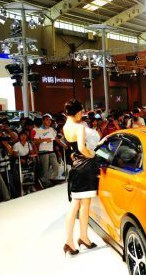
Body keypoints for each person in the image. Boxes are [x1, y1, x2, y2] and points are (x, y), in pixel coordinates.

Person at [62, 99, 99, 256]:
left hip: (76, 166)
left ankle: (82, 237)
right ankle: (70, 241)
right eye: (81, 112)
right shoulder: (79, 127)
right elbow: (82, 148)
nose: (81, 115)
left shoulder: (65, 127)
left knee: (82, 204)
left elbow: (74, 149)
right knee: (79, 204)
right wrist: (94, 154)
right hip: (85, 167)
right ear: (78, 113)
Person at [34, 114, 66, 188]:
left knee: (56, 167)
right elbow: (35, 141)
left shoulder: (52, 129)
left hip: (51, 151)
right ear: (43, 121)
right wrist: (44, 140)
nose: (49, 121)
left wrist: (63, 145)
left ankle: (44, 179)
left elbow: (56, 139)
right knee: (45, 168)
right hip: (43, 151)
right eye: (47, 120)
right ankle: (46, 182)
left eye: (50, 120)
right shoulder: (38, 130)